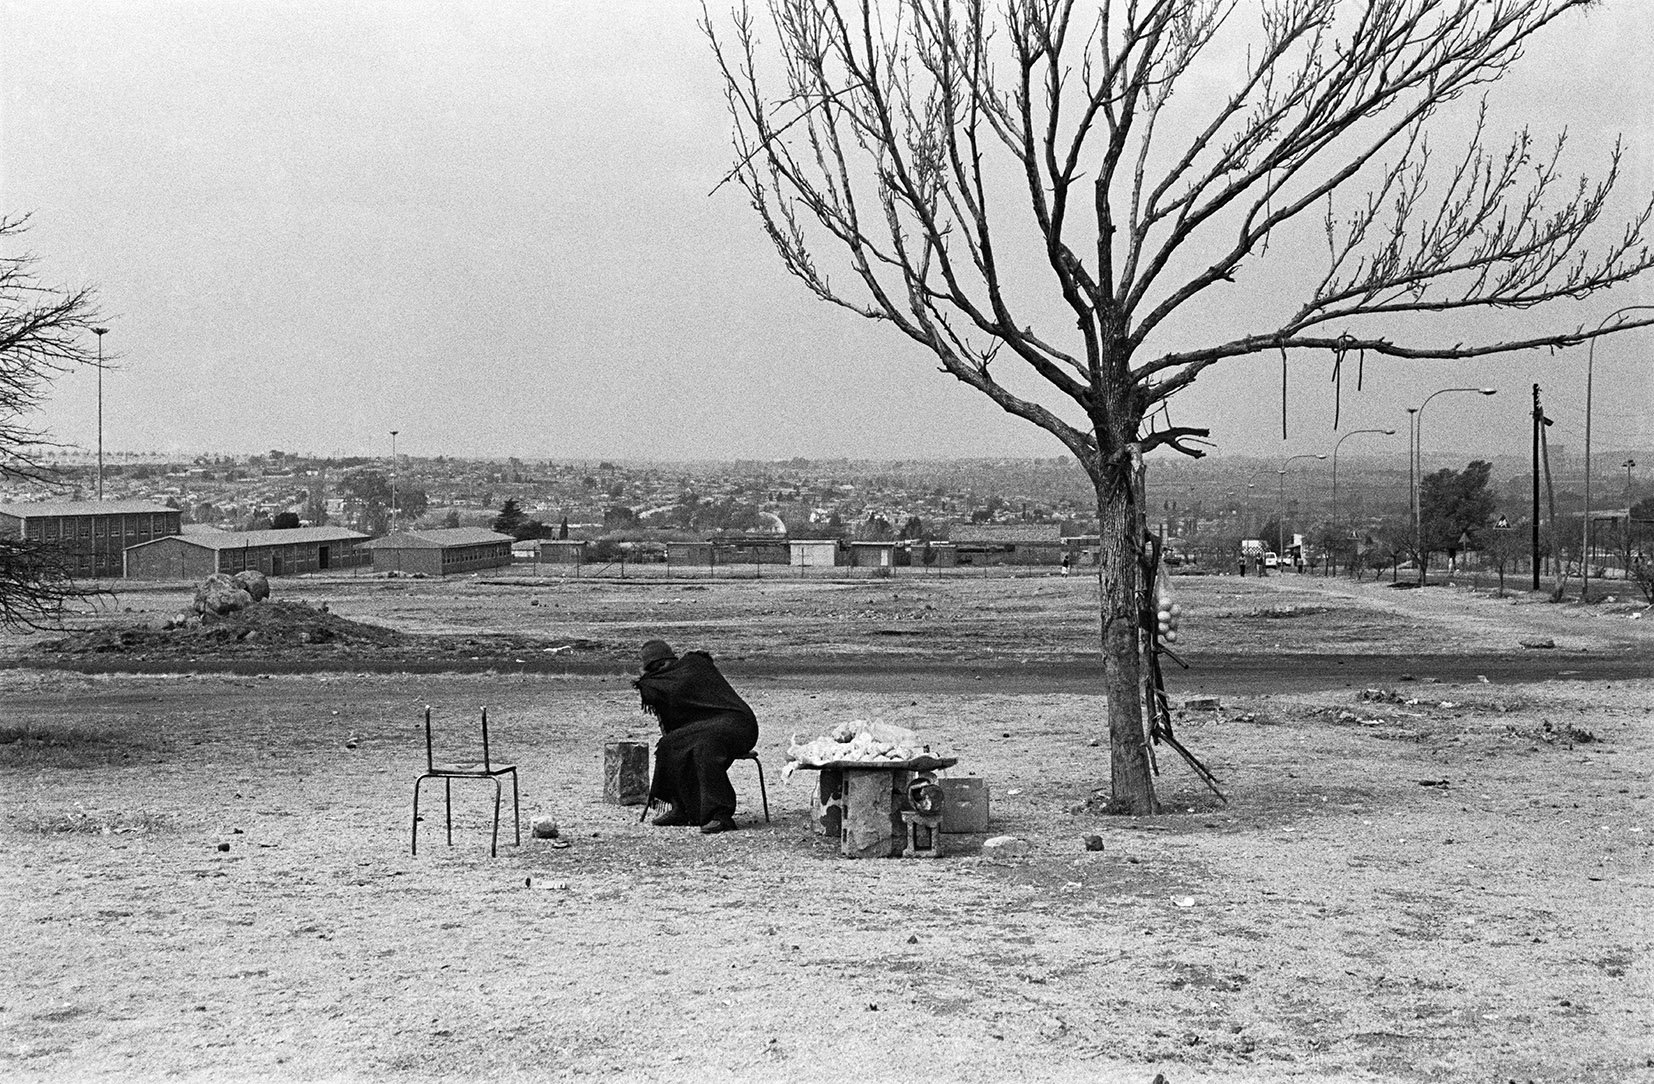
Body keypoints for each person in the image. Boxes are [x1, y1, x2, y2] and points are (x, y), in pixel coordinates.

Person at [633, 639, 759, 834]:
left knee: (706, 747)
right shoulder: (668, 681)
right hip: (706, 728)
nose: (661, 671)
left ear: (671, 659)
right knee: (669, 745)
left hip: (739, 724)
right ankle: (682, 808)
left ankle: (720, 815)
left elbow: (676, 684)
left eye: (662, 666)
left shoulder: (694, 664)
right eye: (654, 669)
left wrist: (650, 679)